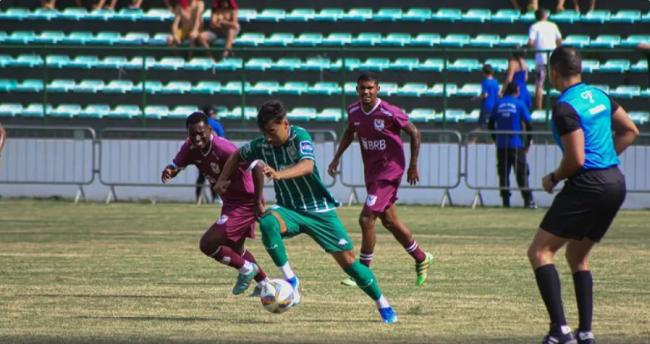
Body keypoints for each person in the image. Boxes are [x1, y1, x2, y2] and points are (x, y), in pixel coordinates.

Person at [216, 100, 398, 323]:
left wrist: (279, 174)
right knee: (267, 223)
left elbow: (308, 165)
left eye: (272, 131)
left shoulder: (299, 136)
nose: (268, 137)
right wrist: (223, 179)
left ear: (285, 123)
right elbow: (237, 155)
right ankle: (291, 280)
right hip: (288, 209)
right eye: (263, 132)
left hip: (319, 211)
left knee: (351, 264)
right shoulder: (261, 145)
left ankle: (383, 304)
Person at [528, 46, 638, 344]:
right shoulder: (600, 96)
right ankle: (585, 333)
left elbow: (576, 160)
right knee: (577, 255)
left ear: (553, 73)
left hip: (587, 184)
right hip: (615, 181)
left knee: (539, 252)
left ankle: (560, 332)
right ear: (580, 70)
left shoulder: (565, 106)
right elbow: (630, 130)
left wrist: (553, 178)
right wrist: (604, 162)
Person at [327, 72, 434, 288]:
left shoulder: (389, 112)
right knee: (390, 222)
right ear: (357, 89)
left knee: (366, 219)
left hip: (390, 171)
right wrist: (337, 157)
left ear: (377, 89)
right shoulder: (354, 111)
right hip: (373, 172)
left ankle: (362, 271)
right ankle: (422, 258)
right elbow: (350, 132)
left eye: (370, 88)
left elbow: (414, 133)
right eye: (362, 88)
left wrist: (413, 165)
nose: (366, 91)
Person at [161, 112, 270, 297]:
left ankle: (246, 270)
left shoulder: (224, 148)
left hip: (245, 202)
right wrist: (170, 171)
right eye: (192, 133)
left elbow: (258, 168)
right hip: (230, 202)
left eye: (200, 133)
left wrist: (258, 202)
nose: (196, 137)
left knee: (207, 244)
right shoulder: (190, 147)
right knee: (236, 249)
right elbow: (176, 165)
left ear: (210, 130)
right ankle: (265, 284)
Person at [488, 82, 537, 209]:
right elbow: (529, 124)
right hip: (516, 144)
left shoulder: (498, 104)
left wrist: (495, 138)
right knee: (521, 173)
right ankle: (528, 201)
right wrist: (528, 142)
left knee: (503, 173)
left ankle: (506, 202)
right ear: (516, 91)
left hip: (501, 144)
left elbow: (490, 123)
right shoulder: (519, 103)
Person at [529, 9, 563, 110]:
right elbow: (560, 41)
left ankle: (539, 109)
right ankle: (562, 108)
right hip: (553, 58)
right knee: (559, 83)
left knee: (539, 85)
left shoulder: (534, 26)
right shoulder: (552, 25)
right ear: (545, 16)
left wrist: (537, 47)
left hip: (541, 59)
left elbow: (531, 42)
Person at [195, 105, 225, 204]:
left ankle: (198, 199)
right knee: (214, 176)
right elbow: (222, 139)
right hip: (213, 154)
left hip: (200, 153)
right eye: (215, 113)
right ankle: (215, 198)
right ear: (211, 113)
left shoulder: (199, 124)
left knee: (201, 177)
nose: (216, 115)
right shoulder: (216, 124)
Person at [470, 64, 501, 143]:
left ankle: (473, 140)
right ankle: (492, 140)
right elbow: (498, 93)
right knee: (492, 124)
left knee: (481, 124)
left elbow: (485, 94)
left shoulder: (485, 82)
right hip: (495, 105)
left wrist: (475, 98)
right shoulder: (495, 81)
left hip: (487, 106)